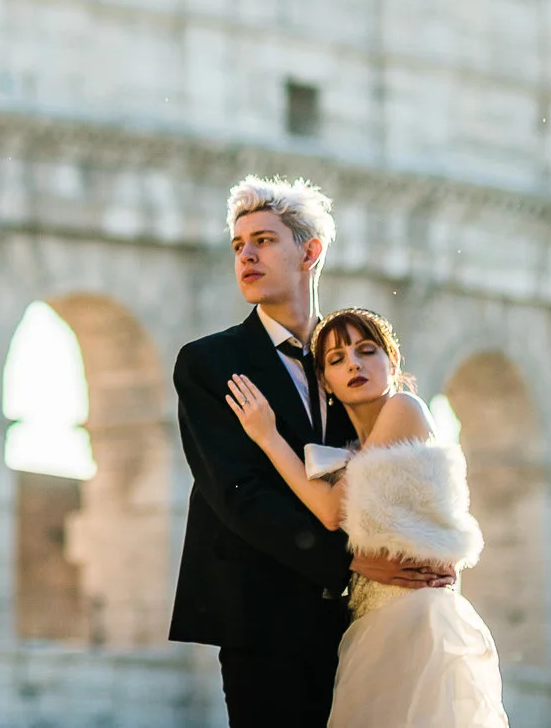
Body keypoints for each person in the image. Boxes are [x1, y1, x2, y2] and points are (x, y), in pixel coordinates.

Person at [170, 176, 457, 727]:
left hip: (359, 620)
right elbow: (236, 494)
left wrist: (428, 552)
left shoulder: (349, 360)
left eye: (264, 240)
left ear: (311, 251)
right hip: (262, 616)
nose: (246, 255)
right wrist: (348, 561)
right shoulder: (208, 362)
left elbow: (395, 469)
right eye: (238, 245)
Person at [226, 307, 511, 727]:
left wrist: (268, 438)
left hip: (418, 618)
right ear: (324, 381)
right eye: (337, 359)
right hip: (370, 622)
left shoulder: (405, 409)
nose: (354, 364)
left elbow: (329, 511)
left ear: (392, 362)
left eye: (367, 350)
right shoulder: (350, 445)